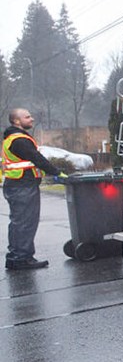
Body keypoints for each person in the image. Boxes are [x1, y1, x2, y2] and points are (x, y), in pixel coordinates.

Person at [2, 109, 63, 269]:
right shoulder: (19, 140)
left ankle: (17, 257)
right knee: (25, 223)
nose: (32, 119)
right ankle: (21, 258)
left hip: (16, 184)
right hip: (23, 185)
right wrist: (57, 172)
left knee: (19, 222)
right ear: (16, 121)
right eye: (27, 117)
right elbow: (37, 158)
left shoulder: (11, 138)